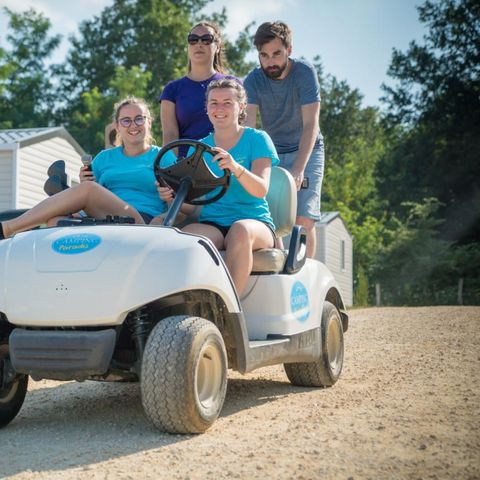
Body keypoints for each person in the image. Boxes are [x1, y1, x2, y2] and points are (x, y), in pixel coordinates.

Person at [158, 79, 279, 296]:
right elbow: (194, 206)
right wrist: (173, 196)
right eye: (213, 103)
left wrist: (235, 167)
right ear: (206, 108)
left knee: (240, 231)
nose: (219, 108)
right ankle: (189, 305)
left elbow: (261, 190)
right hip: (213, 223)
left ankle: (230, 308)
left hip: (254, 222)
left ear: (241, 107)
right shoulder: (200, 147)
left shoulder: (258, 139)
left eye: (227, 103)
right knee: (183, 239)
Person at [0, 97, 171, 239]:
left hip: (141, 222)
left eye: (139, 118)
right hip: (103, 218)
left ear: (149, 122)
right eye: (126, 120)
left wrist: (162, 218)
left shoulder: (164, 156)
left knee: (88, 189)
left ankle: (8, 228)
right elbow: (94, 195)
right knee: (55, 221)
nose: (133, 125)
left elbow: (182, 205)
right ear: (117, 126)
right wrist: (84, 184)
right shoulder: (104, 158)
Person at [244, 21, 324, 258]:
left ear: (289, 50)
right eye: (264, 55)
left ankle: (304, 273)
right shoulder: (253, 81)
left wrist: (299, 168)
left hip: (307, 148)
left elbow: (311, 124)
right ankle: (280, 267)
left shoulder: (304, 73)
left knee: (303, 219)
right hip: (273, 152)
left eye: (276, 54)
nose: (270, 62)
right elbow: (248, 127)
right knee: (271, 218)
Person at [159, 21, 240, 155]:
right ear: (188, 46)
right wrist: (171, 166)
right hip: (185, 163)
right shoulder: (172, 90)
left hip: (226, 160)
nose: (199, 44)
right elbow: (170, 136)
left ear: (217, 46)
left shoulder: (233, 84)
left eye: (206, 39)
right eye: (193, 39)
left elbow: (241, 129)